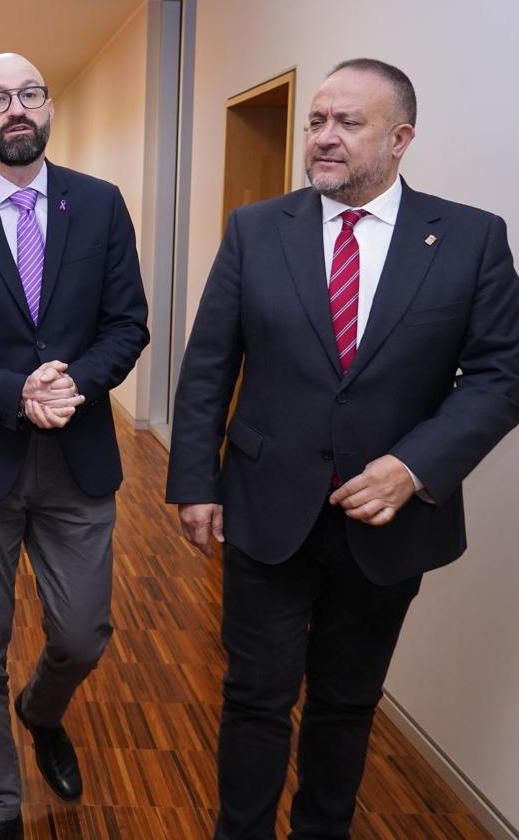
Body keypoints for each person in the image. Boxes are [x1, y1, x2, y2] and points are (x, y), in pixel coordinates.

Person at [166, 58, 519, 839]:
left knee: (346, 701)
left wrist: (414, 467)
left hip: (389, 523)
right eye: (316, 121)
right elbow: (208, 365)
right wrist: (196, 482)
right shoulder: (257, 229)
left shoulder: (470, 239)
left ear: (400, 140)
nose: (323, 138)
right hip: (264, 507)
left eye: (346, 124)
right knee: (255, 697)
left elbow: (500, 376)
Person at [0, 53, 149, 840]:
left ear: (49, 108)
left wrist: (69, 383)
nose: (17, 109)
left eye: (31, 94)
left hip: (78, 459)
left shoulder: (102, 206)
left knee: (82, 633)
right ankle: (1, 810)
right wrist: (16, 393)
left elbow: (128, 324)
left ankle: (42, 710)